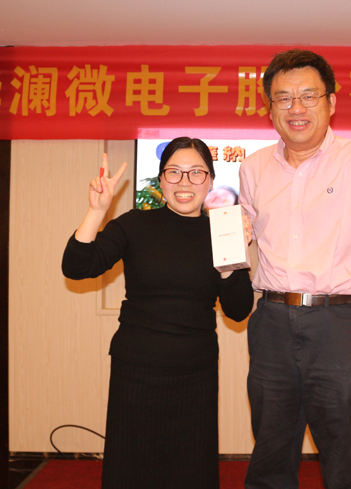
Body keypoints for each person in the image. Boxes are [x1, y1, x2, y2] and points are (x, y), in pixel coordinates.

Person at [238, 49, 351, 489]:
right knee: (270, 447)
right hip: (271, 321)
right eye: (283, 98)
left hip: (338, 324)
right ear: (270, 108)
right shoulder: (253, 167)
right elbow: (244, 231)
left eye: (308, 96)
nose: (296, 108)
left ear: (331, 102)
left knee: (344, 449)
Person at [62, 137, 255, 489]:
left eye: (196, 173)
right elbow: (77, 267)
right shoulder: (134, 224)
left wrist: (233, 258)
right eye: (174, 172)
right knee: (132, 468)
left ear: (210, 181)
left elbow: (239, 310)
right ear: (161, 179)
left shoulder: (222, 231)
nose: (185, 182)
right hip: (136, 370)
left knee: (190, 470)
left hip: (195, 373)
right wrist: (97, 211)